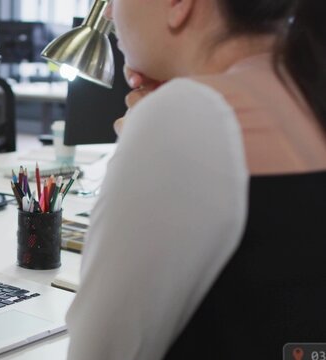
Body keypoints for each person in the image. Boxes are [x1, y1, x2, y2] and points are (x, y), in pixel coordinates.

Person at [67, 1, 326, 359]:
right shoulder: (307, 93)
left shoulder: (188, 117)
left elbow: (97, 352)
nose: (109, 13)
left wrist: (146, 137)